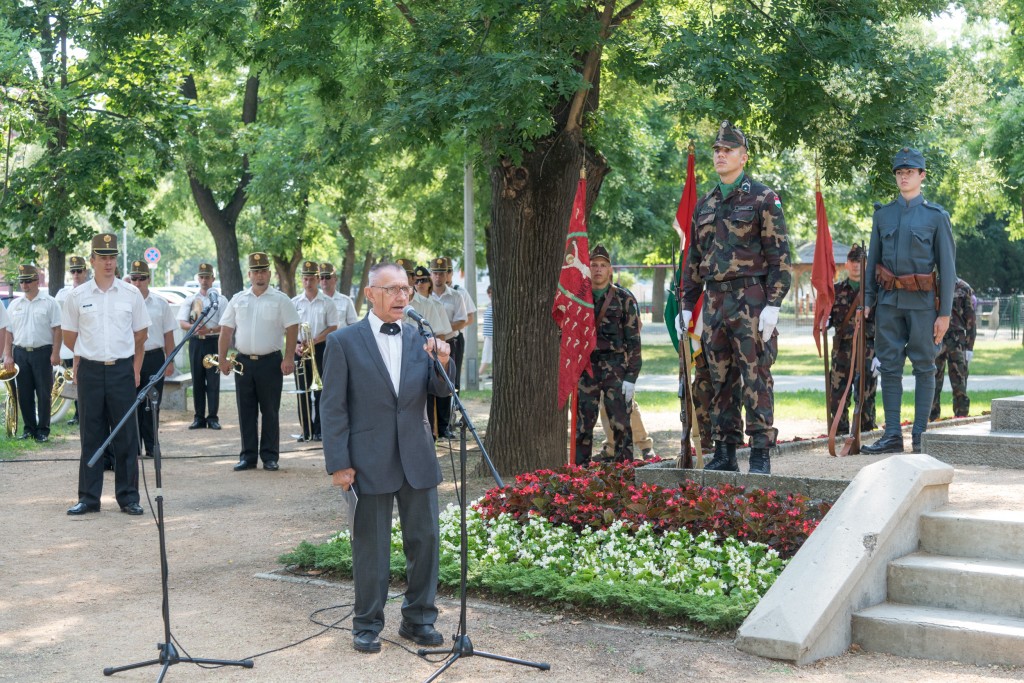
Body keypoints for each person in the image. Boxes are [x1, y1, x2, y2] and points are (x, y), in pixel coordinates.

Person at [320, 262, 453, 654]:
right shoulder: (343, 341)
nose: (401, 296)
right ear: (370, 294)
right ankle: (367, 624)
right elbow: (333, 408)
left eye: (405, 289)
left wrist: (443, 361)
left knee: (425, 541)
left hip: (417, 456)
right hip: (368, 459)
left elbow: (440, 390)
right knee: (371, 548)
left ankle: (419, 619)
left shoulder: (419, 337)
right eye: (392, 289)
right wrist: (339, 463)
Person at [680, 121, 793, 475]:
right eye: (717, 150)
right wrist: (687, 305)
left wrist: (773, 304)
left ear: (743, 157)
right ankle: (726, 451)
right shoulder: (705, 204)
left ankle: (760, 452)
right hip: (715, 302)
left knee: (755, 376)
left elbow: (780, 257)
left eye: (728, 150)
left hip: (751, 300)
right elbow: (694, 260)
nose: (720, 155)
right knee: (720, 379)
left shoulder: (763, 198)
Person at [863, 147, 956, 454]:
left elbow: (948, 269)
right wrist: (868, 299)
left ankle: (919, 436)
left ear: (921, 176)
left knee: (924, 367)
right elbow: (873, 261)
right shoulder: (883, 215)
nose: (904, 177)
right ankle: (892, 434)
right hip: (889, 303)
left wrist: (944, 314)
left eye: (910, 172)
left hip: (923, 304)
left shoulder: (936, 217)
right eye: (900, 173)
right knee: (889, 367)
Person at [63, 233, 151, 516]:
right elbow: (69, 336)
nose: (108, 262)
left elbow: (141, 334)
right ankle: (89, 498)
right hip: (89, 370)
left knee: (126, 435)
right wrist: (89, 352)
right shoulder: (77, 296)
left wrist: (129, 363)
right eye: (102, 257)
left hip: (121, 370)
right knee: (91, 434)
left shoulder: (131, 294)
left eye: (112, 257)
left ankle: (128, 497)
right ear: (92, 261)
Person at [218, 252, 300, 471]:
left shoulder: (281, 299)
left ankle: (270, 456)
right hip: (243, 362)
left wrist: (289, 357)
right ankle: (248, 457)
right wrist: (222, 359)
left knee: (270, 411)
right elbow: (226, 330)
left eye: (263, 271)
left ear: (269, 273)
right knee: (246, 411)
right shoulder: (238, 299)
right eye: (255, 272)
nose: (260, 275)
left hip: (270, 362)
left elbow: (293, 327)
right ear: (249, 275)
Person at [575, 245, 642, 464]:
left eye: (603, 265)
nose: (598, 269)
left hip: (615, 368)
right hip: (587, 368)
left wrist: (631, 377)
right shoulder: (579, 298)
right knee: (583, 426)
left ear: (610, 270)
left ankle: (624, 473)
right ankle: (579, 473)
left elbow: (634, 341)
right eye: (594, 265)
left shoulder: (624, 298)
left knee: (620, 424)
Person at [5, 264, 62, 442]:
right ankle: (29, 429)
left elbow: (57, 329)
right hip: (20, 353)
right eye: (22, 281)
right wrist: (8, 355)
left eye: (28, 281)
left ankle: (43, 430)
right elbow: (8, 332)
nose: (24, 285)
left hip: (43, 353)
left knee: (44, 393)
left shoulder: (50, 302)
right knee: (24, 393)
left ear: (37, 281)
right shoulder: (14, 305)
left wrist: (55, 353)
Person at [826, 244, 877, 434]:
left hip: (867, 350)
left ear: (866, 265)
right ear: (846, 264)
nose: (856, 265)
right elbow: (828, 319)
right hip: (842, 351)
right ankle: (839, 434)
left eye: (860, 261)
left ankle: (866, 434)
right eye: (852, 261)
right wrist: (824, 321)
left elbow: (884, 325)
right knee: (838, 395)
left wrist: (880, 354)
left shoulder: (873, 292)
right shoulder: (835, 290)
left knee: (866, 395)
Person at [129, 261, 177, 458]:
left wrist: (170, 360)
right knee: (132, 404)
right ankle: (133, 448)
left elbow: (168, 335)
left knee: (152, 403)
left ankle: (151, 446)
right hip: (131, 358)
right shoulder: (125, 303)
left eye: (142, 278)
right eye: (134, 278)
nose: (138, 282)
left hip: (154, 357)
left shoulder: (160, 303)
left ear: (148, 279)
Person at [292, 260, 339, 441]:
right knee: (302, 391)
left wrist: (314, 340)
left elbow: (333, 327)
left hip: (320, 348)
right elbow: (288, 328)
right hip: (300, 349)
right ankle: (306, 430)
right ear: (301, 280)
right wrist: (294, 345)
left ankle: (319, 429)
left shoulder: (328, 302)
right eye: (305, 279)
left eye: (312, 279)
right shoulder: (294, 302)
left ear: (318, 279)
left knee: (321, 391)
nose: (308, 282)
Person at [408, 265, 453, 438]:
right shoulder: (388, 307)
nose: (419, 283)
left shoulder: (428, 304)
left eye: (408, 276)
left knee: (428, 400)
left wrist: (435, 359)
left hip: (421, 359)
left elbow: (439, 334)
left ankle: (431, 434)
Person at [177, 263, 223, 430]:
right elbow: (182, 322)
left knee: (213, 381)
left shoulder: (220, 300)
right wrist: (194, 328)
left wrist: (209, 330)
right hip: (196, 342)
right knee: (197, 380)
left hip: (212, 342)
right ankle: (199, 417)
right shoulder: (190, 300)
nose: (204, 280)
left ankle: (213, 417)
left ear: (213, 279)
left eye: (207, 277)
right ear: (198, 278)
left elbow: (226, 325)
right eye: (202, 277)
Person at [429, 257, 467, 437]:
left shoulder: (456, 296)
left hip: (449, 343)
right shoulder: (425, 297)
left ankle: (445, 426)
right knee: (430, 383)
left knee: (447, 382)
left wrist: (441, 329)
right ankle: (432, 425)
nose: (438, 277)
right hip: (428, 346)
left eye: (441, 273)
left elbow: (462, 320)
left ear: (447, 275)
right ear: (431, 274)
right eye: (435, 273)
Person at [930, 277, 976, 420]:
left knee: (959, 381)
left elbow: (971, 318)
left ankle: (961, 416)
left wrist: (969, 346)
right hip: (937, 337)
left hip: (957, 340)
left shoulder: (964, 288)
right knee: (933, 380)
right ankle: (932, 417)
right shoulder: (933, 284)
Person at [54, 255, 89, 426]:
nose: (76, 274)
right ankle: (78, 412)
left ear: (85, 272)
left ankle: (86, 411)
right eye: (73, 271)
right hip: (69, 344)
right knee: (72, 378)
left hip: (87, 343)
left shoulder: (91, 291)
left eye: (79, 271)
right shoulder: (63, 294)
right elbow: (58, 320)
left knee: (86, 378)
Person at [318, 262, 358, 328]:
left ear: (335, 279)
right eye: (321, 277)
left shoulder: (346, 301)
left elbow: (353, 326)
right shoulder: (315, 301)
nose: (324, 280)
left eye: (327, 277)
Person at [478, 284, 493, 379]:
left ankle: (478, 374)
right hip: (488, 335)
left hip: (493, 335)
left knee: (486, 355)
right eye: (489, 292)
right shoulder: (489, 305)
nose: (490, 294)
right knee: (487, 354)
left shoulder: (496, 305)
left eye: (492, 292)